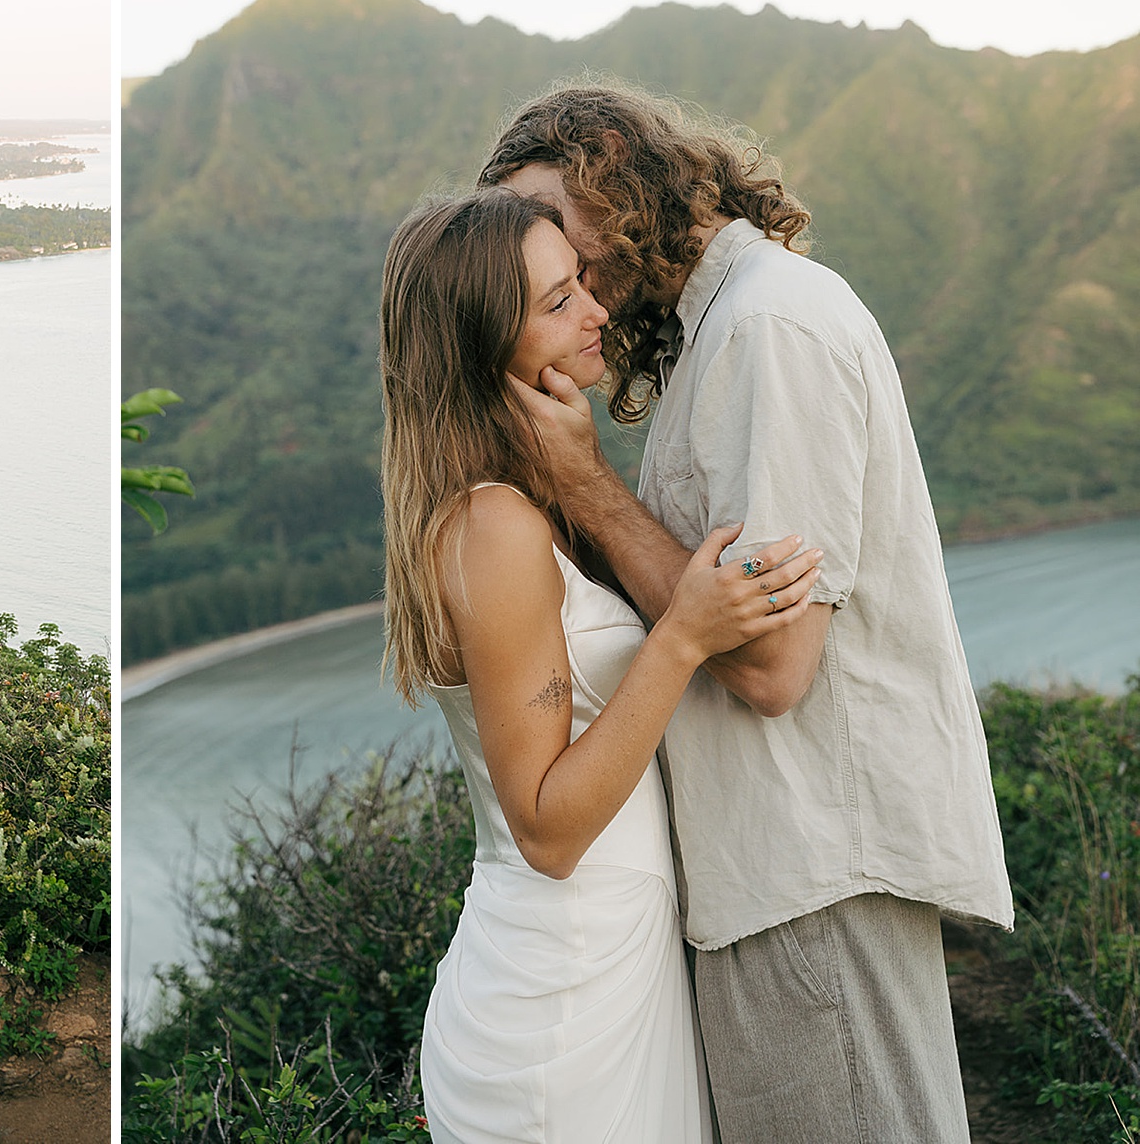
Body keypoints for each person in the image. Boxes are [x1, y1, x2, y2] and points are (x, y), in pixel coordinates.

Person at [477, 84, 1013, 1143]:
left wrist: (587, 486)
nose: (567, 272)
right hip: (779, 873)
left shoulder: (766, 326)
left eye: (559, 230)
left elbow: (770, 664)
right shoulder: (724, 324)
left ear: (615, 167)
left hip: (804, 871)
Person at [382, 187, 825, 1142]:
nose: (595, 310)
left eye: (580, 282)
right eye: (555, 302)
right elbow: (544, 829)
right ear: (477, 348)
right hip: (560, 1008)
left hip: (606, 968)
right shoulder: (493, 525)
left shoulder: (519, 509)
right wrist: (682, 637)